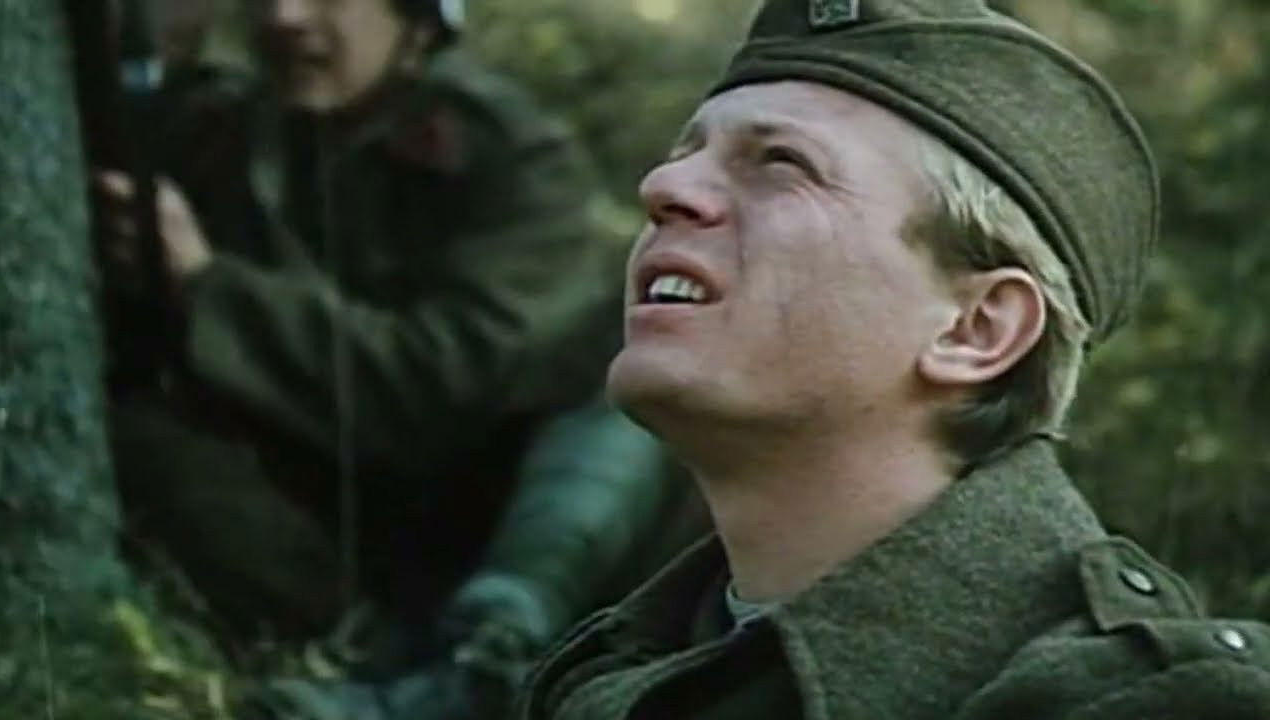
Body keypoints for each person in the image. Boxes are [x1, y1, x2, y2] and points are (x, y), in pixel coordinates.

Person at [518, 1, 1270, 718]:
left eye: (781, 163)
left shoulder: (1148, 704)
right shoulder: (613, 673)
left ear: (975, 329)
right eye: (685, 155)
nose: (663, 186)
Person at [93, 0, 700, 713]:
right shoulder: (223, 129)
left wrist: (209, 287)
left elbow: (447, 385)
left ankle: (489, 655)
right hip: (330, 537)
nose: (284, 17)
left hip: (503, 519)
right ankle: (394, 664)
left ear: (414, 18)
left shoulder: (506, 153)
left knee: (644, 352)